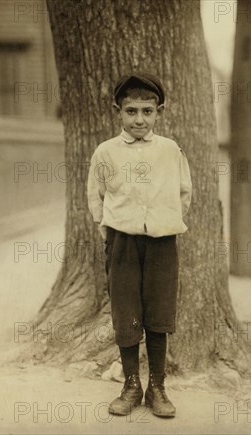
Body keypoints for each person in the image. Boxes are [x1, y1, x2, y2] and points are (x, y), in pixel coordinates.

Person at [87, 72, 192, 418]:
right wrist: (114, 231)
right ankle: (131, 384)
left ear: (159, 112)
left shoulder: (170, 150)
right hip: (123, 242)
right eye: (131, 111)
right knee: (126, 311)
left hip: (162, 241)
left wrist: (163, 221)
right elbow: (96, 196)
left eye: (147, 111)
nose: (139, 119)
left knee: (159, 313)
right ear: (118, 111)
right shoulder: (106, 152)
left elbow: (184, 193)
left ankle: (157, 387)